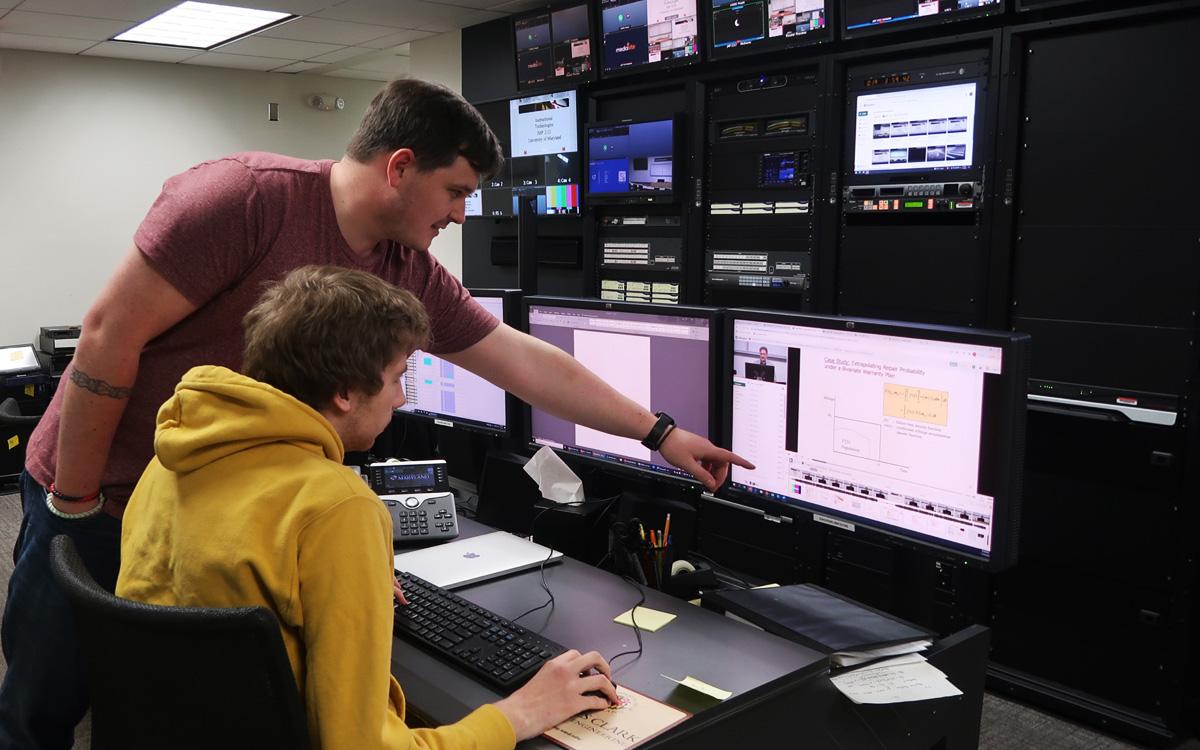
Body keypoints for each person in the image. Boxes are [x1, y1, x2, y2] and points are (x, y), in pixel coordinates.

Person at [0, 78, 749, 749]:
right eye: (455, 191)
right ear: (400, 167)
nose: (461, 215)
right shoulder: (242, 199)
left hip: (215, 500)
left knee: (153, 700)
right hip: (100, 478)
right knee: (43, 698)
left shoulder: (403, 268)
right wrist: (74, 501)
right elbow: (105, 338)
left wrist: (659, 432)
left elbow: (519, 359)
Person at [116, 266, 616, 749]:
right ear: (345, 392)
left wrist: (350, 583)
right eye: (398, 377)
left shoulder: (172, 459)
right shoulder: (336, 506)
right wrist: (519, 714)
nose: (401, 399)